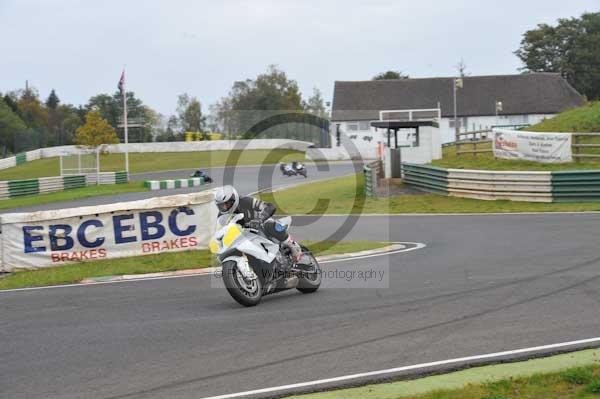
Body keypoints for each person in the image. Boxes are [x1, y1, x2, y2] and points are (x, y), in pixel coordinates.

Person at [213, 185, 303, 261]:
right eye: (221, 206)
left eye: (226, 204)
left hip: (260, 226)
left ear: (233, 199)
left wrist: (259, 219)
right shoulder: (221, 215)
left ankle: (292, 245)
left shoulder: (245, 201)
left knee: (269, 225)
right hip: (243, 236)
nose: (224, 207)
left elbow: (269, 206)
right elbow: (221, 230)